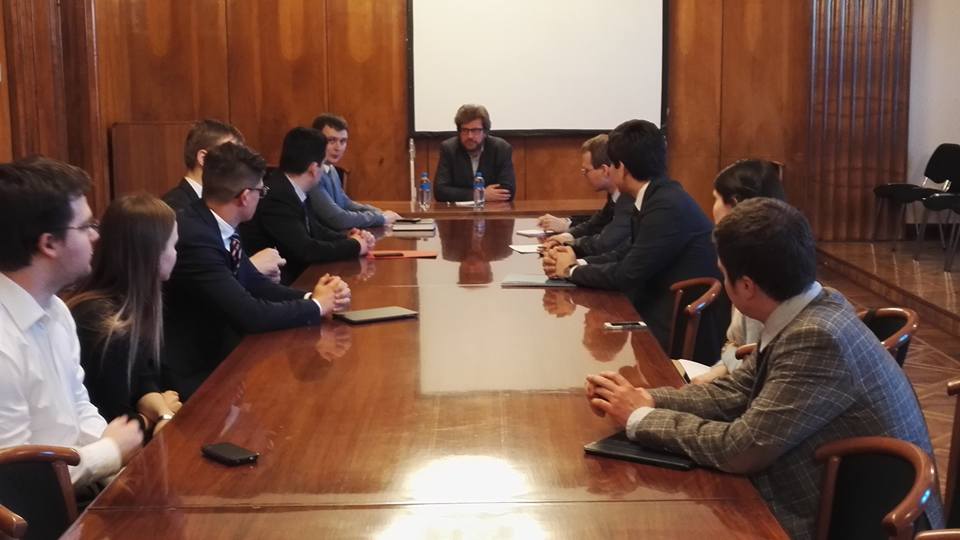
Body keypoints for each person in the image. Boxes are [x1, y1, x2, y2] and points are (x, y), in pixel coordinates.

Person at [585, 198, 943, 539]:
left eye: (723, 273)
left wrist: (641, 419)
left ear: (746, 286)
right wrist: (648, 399)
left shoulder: (817, 337)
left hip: (842, 521)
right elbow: (737, 389)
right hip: (826, 495)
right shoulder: (812, 306)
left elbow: (741, 449)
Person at [162, 142, 351, 399]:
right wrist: (317, 306)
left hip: (220, 356)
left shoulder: (217, 220)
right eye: (261, 191)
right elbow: (250, 314)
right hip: (193, 372)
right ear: (244, 196)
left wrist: (314, 298)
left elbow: (254, 283)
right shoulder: (197, 237)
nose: (261, 197)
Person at [0, 157, 142, 489]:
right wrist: (110, 452)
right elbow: (15, 481)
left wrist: (117, 466)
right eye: (86, 226)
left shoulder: (57, 309)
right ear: (49, 243)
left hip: (74, 488)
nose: (95, 236)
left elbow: (78, 406)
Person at [542, 119, 724, 363]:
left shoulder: (664, 206)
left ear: (622, 168)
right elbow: (627, 252)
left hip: (671, 328)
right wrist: (577, 261)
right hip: (658, 307)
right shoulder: (657, 195)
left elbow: (627, 274)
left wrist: (571, 270)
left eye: (612, 164)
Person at [68, 194, 183, 436]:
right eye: (172, 245)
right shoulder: (103, 324)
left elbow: (142, 376)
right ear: (152, 254)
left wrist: (163, 412)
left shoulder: (131, 306)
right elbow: (111, 419)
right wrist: (153, 418)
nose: (176, 254)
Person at [690, 159, 785, 384]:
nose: (713, 207)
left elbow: (749, 362)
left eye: (715, 198)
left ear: (734, 203)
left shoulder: (761, 270)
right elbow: (733, 346)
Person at [241, 127, 375, 285]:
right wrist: (355, 246)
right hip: (280, 284)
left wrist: (349, 238)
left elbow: (315, 229)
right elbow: (306, 250)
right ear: (313, 169)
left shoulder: (293, 187)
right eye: (323, 164)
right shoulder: (277, 197)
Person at [162, 118, 285, 283]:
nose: (239, 161)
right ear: (203, 158)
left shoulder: (228, 201)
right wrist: (252, 268)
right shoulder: (174, 208)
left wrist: (256, 278)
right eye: (229, 151)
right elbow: (190, 277)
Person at [538, 134, 634, 257]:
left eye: (586, 171)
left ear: (605, 170)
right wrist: (564, 237)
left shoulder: (628, 199)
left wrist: (568, 245)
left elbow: (605, 242)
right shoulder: (614, 195)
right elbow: (595, 224)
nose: (584, 176)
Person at [305, 114, 402, 229]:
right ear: (316, 141)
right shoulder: (311, 173)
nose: (338, 147)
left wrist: (380, 213)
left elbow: (346, 204)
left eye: (343, 141)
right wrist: (381, 218)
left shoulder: (331, 169)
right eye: (331, 140)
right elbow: (338, 219)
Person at [434, 104, 515, 202]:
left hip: (493, 209)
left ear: (485, 132)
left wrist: (461, 194)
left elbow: (508, 191)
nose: (470, 136)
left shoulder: (501, 148)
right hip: (458, 211)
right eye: (465, 130)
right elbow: (440, 191)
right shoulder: (449, 148)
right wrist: (480, 195)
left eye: (475, 130)